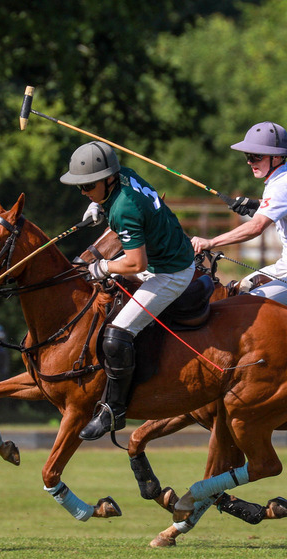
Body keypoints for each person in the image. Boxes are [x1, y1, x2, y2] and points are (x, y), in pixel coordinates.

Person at [60, 141, 197, 440]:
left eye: (88, 186)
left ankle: (114, 410)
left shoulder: (124, 208)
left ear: (108, 179)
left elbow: (136, 262)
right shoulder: (124, 175)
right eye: (80, 187)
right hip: (163, 257)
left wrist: (103, 267)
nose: (83, 192)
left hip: (171, 271)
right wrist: (97, 205)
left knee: (118, 332)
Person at [190, 121, 287, 307]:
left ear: (276, 157)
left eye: (256, 156)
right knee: (234, 291)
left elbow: (256, 227)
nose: (250, 162)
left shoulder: (283, 184)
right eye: (248, 156)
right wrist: (257, 205)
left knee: (243, 307)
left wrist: (210, 242)